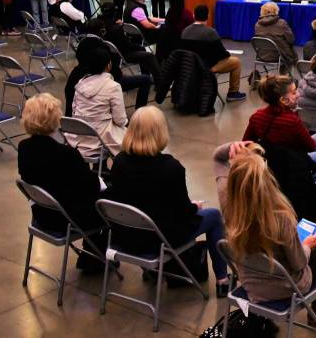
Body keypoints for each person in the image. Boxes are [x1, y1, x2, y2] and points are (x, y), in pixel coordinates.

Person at [223, 151, 316, 335]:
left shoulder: (231, 216)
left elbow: (217, 158)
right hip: (285, 287)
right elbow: (299, 263)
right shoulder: (280, 219)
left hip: (252, 286)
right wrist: (306, 246)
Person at [105, 106, 230, 296]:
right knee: (213, 216)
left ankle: (151, 271)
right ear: (160, 133)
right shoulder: (171, 167)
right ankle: (223, 280)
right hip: (160, 240)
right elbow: (183, 213)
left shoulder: (119, 161)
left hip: (126, 237)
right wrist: (193, 206)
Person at [17, 93, 106, 273]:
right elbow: (91, 187)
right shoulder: (66, 154)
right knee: (109, 203)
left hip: (42, 214)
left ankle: (92, 257)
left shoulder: (24, 148)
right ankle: (95, 258)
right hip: (67, 220)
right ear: (53, 120)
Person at [242, 75, 316, 180]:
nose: (298, 94)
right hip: (290, 168)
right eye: (294, 92)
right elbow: (310, 146)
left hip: (268, 165)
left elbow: (246, 144)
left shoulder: (257, 116)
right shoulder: (291, 121)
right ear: (283, 100)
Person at [65, 36, 152, 113]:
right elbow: (120, 120)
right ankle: (140, 114)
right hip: (105, 122)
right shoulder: (104, 67)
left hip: (79, 121)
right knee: (146, 79)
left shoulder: (74, 75)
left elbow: (69, 109)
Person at [71, 44, 128, 158]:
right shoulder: (113, 86)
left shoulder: (80, 84)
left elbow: (74, 111)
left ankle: (101, 166)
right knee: (133, 139)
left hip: (78, 137)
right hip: (101, 139)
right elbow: (120, 120)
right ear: (109, 65)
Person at [181, 4, 247, 101]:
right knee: (236, 62)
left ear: (194, 15)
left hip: (188, 66)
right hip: (206, 67)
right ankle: (233, 93)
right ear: (208, 16)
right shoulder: (211, 32)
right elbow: (223, 55)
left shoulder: (185, 31)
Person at [254, 1, 298, 73]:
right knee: (290, 52)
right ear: (276, 11)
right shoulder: (282, 23)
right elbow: (291, 40)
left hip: (262, 56)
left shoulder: (257, 25)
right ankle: (285, 77)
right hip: (280, 56)